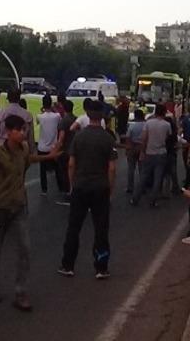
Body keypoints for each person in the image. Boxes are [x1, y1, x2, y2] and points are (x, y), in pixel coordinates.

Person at [0, 114, 59, 311]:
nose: (24, 133)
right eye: (20, 130)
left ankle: (20, 292)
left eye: (24, 130)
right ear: (8, 132)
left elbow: (29, 159)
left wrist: (48, 156)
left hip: (19, 206)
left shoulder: (23, 149)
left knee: (25, 249)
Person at [58, 99, 117, 279]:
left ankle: (68, 265)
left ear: (88, 115)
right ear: (102, 117)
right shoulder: (108, 138)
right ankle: (101, 267)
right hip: (100, 187)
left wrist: (72, 185)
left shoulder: (79, 137)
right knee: (101, 229)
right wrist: (110, 189)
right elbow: (112, 168)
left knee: (74, 227)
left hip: (80, 187)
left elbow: (71, 164)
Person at [131, 104, 173, 207]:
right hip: (161, 153)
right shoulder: (167, 125)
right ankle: (153, 200)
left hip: (149, 152)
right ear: (164, 112)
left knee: (144, 177)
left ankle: (135, 198)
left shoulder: (148, 123)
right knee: (158, 178)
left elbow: (144, 139)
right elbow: (168, 137)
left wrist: (142, 152)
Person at [35, 96, 64, 196]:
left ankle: (44, 190)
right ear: (51, 103)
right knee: (57, 169)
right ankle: (61, 187)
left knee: (42, 170)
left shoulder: (39, 116)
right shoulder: (56, 116)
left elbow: (38, 122)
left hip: (42, 147)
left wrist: (42, 110)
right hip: (53, 147)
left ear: (43, 104)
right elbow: (60, 117)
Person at [123, 109, 145, 195]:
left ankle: (130, 187)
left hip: (133, 148)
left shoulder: (132, 126)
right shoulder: (146, 125)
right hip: (142, 148)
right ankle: (142, 187)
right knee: (142, 169)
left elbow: (128, 138)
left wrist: (127, 149)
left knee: (131, 169)